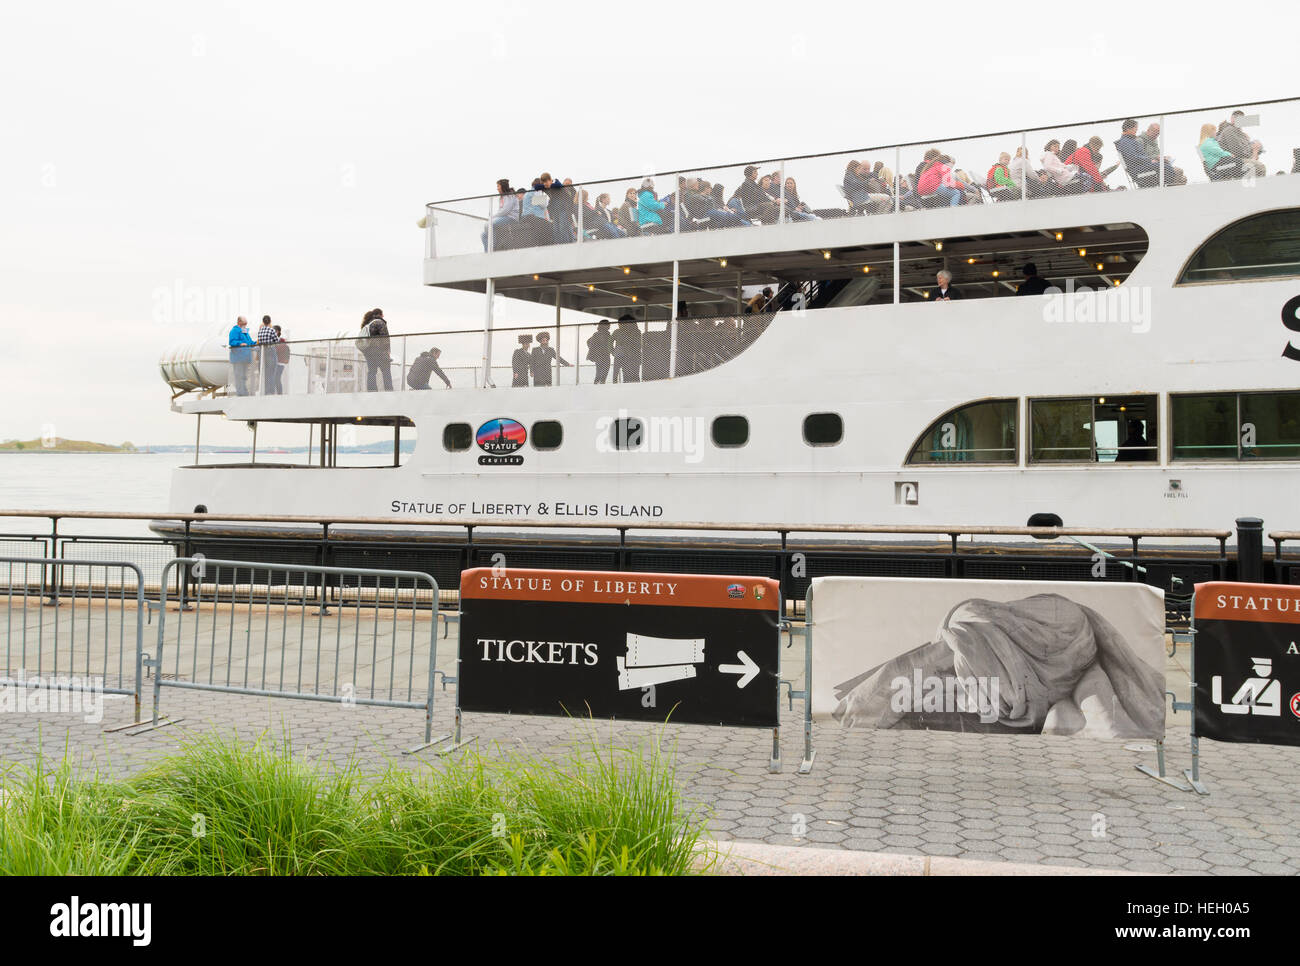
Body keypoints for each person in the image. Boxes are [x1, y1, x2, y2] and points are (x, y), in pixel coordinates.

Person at [830, 593, 1164, 738]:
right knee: (955, 646)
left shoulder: (1080, 678)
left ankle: (864, 706)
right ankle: (864, 706)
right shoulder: (1079, 682)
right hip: (1048, 640)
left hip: (1051, 639)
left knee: (955, 645)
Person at [1116, 119, 1179, 188]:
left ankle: (1165, 187)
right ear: (1128, 129)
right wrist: (1150, 160)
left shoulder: (1129, 140)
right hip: (1137, 170)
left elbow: (1136, 156)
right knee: (1165, 167)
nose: (1136, 130)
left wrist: (1152, 161)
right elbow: (1132, 157)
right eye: (1135, 128)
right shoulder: (1125, 141)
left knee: (1165, 166)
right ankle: (1166, 189)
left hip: (1141, 167)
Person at [1216, 110, 1266, 177]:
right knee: (1260, 167)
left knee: (1257, 164)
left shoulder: (1238, 132)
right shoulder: (1229, 130)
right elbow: (1238, 152)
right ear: (1232, 119)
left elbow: (1244, 151)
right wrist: (1254, 150)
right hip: (1231, 163)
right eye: (1237, 118)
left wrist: (1255, 149)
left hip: (1237, 161)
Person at [360, 309, 393, 391]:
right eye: (382, 314)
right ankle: (389, 390)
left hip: (368, 352)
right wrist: (387, 352)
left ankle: (372, 390)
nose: (383, 316)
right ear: (379, 314)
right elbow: (385, 338)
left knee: (372, 372)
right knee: (386, 371)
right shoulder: (380, 322)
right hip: (379, 351)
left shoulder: (368, 323)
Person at [227, 316, 255, 396]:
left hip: (245, 357)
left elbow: (249, 341)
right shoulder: (234, 331)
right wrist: (239, 343)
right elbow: (231, 341)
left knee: (244, 376)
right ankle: (240, 393)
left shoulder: (245, 331)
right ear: (239, 322)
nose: (245, 325)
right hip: (238, 357)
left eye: (246, 324)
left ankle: (244, 392)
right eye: (244, 324)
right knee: (238, 376)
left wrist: (256, 342)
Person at [611, 316, 642, 383]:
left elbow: (639, 344)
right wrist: (613, 352)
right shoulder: (617, 332)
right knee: (623, 374)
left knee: (634, 375)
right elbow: (609, 343)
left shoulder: (636, 332)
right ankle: (617, 386)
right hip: (622, 356)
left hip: (633, 357)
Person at [256, 315, 279, 394]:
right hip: (270, 351)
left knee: (265, 374)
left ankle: (265, 391)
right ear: (270, 321)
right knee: (271, 373)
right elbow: (276, 340)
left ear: (263, 322)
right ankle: (271, 392)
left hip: (262, 353)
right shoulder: (271, 330)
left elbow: (259, 340)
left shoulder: (260, 331)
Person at [272, 324, 290, 394]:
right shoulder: (275, 341)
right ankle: (277, 393)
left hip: (279, 363)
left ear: (277, 331)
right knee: (275, 379)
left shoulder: (281, 342)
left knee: (276, 378)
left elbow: (283, 350)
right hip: (275, 363)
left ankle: (279, 393)